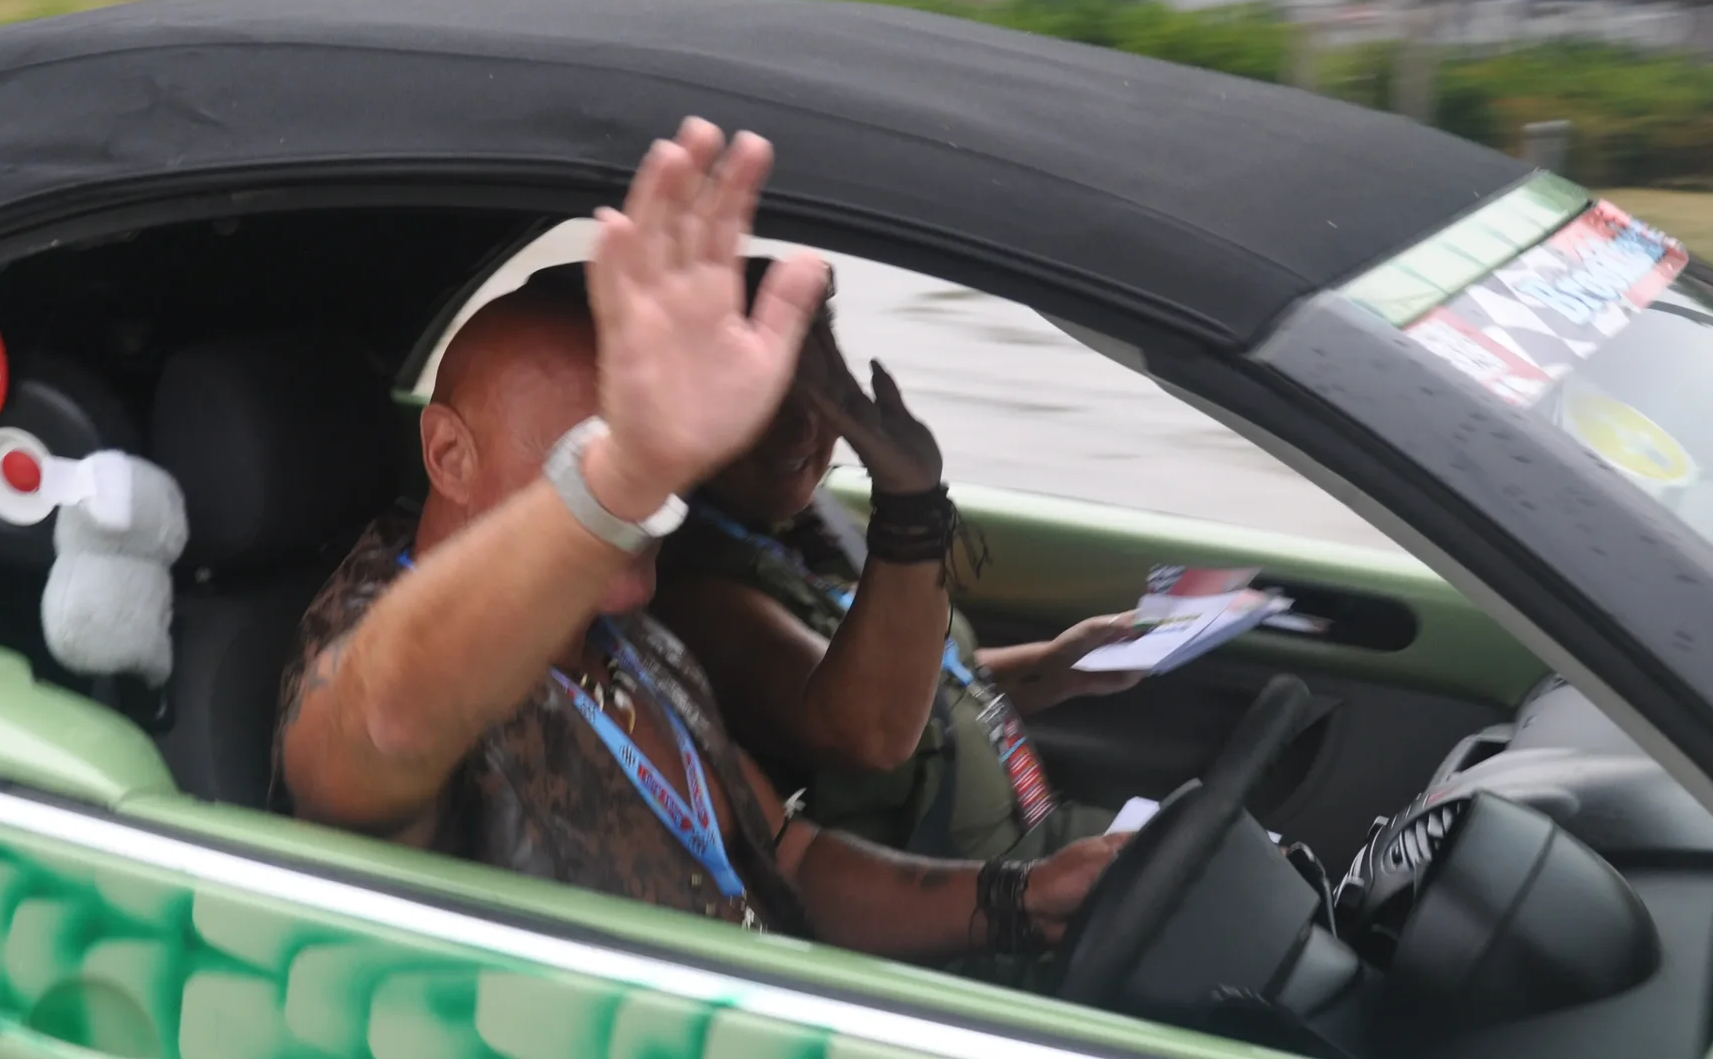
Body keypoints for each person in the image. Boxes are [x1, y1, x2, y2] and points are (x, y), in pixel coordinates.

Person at [275, 118, 1126, 964]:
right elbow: (383, 722)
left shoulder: (636, 643)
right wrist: (621, 475)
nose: (659, 497)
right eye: (585, 453)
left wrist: (1019, 901)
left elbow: (794, 862)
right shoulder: (369, 637)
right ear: (449, 455)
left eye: (669, 457)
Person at [654, 291, 1139, 864]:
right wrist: (911, 504)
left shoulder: (811, 525)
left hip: (1038, 839)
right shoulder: (692, 591)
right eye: (760, 403)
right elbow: (874, 729)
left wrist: (1053, 667)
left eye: (820, 399)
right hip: (973, 898)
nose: (799, 433)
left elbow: (922, 690)